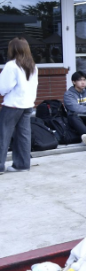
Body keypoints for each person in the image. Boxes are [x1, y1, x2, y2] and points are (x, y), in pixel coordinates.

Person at [0, 37, 38, 173]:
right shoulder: (33, 66)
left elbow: (3, 88)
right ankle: (22, 165)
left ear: (13, 49)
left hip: (12, 105)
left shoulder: (11, 65)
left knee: (3, 135)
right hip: (27, 105)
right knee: (23, 136)